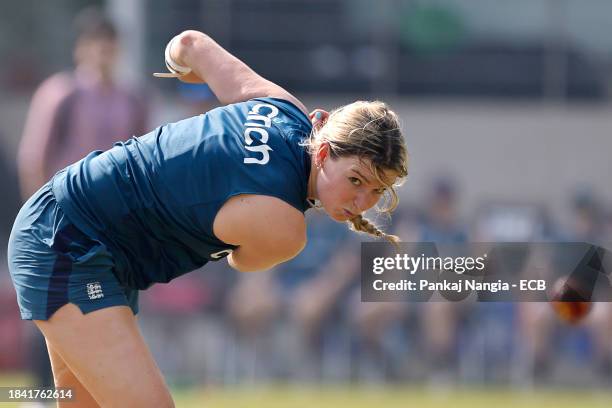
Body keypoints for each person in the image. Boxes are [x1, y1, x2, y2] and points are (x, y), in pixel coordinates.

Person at [7, 30, 408, 407]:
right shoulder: (284, 227)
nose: (361, 201)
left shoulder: (282, 106)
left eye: (376, 191)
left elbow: (190, 43)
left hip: (84, 236)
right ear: (322, 154)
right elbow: (243, 259)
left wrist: (178, 66)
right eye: (355, 180)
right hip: (68, 242)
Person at [17, 8, 148, 199]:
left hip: (116, 207)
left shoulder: (134, 99)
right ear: (80, 48)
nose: (103, 52)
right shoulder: (61, 93)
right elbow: (34, 160)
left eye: (109, 45)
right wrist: (41, 213)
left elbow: (143, 158)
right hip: (68, 204)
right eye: (97, 44)